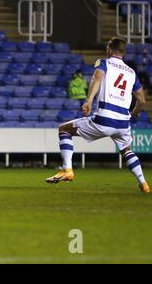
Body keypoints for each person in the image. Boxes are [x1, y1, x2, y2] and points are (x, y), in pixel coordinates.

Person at [46, 37, 150, 193]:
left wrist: (88, 100)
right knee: (126, 149)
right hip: (122, 122)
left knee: (64, 129)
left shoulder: (103, 63)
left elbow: (97, 78)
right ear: (123, 53)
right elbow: (142, 100)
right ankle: (144, 184)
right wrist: (131, 115)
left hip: (105, 118)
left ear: (109, 49)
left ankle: (67, 169)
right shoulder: (132, 73)